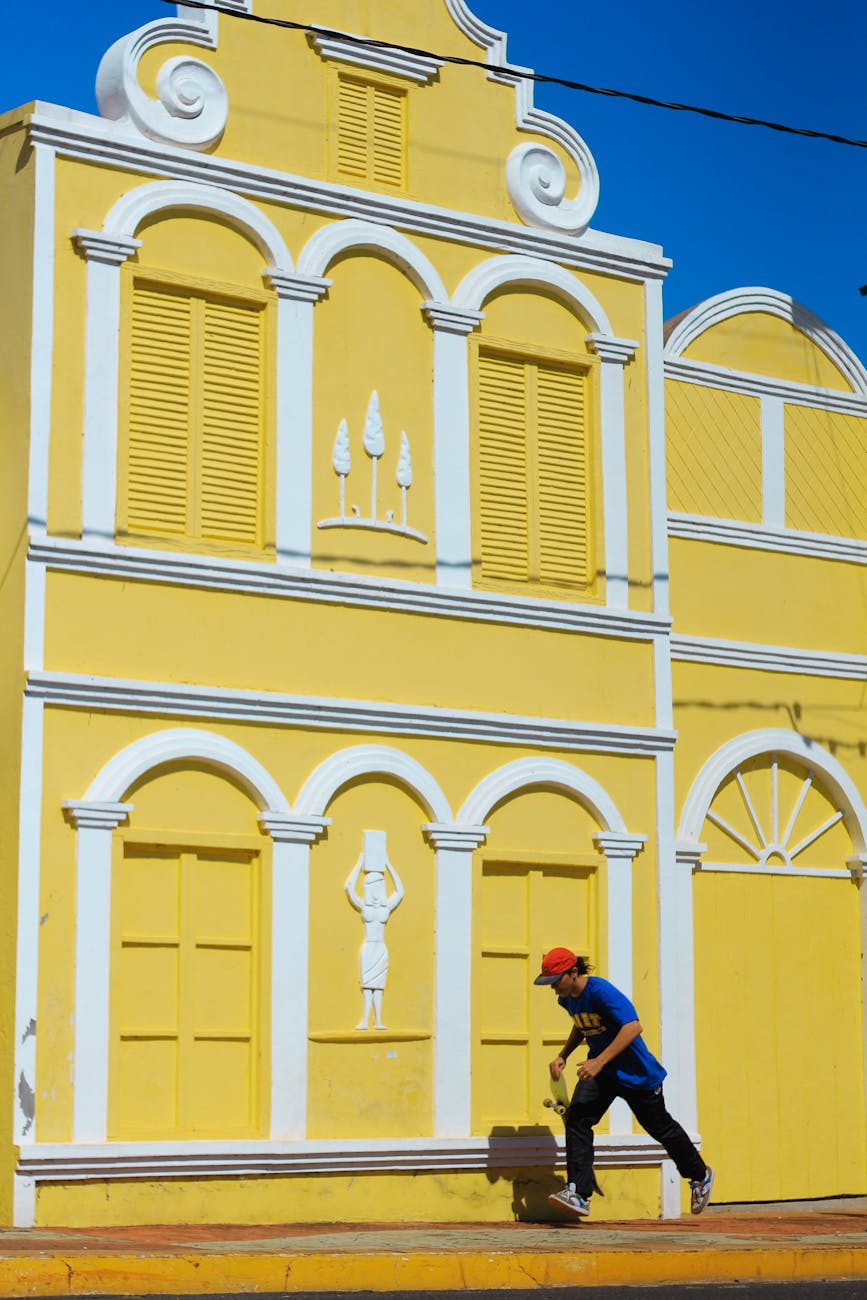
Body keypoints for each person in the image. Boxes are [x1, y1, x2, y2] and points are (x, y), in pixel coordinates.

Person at [535, 946, 713, 1218]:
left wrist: (598, 1061)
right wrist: (564, 1055)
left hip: (636, 1074)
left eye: (555, 981)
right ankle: (579, 1194)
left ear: (573, 972)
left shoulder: (601, 991)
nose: (552, 988)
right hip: (602, 1074)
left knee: (661, 1128)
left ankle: (699, 1175)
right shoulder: (567, 998)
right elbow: (582, 1024)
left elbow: (632, 1027)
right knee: (578, 1118)